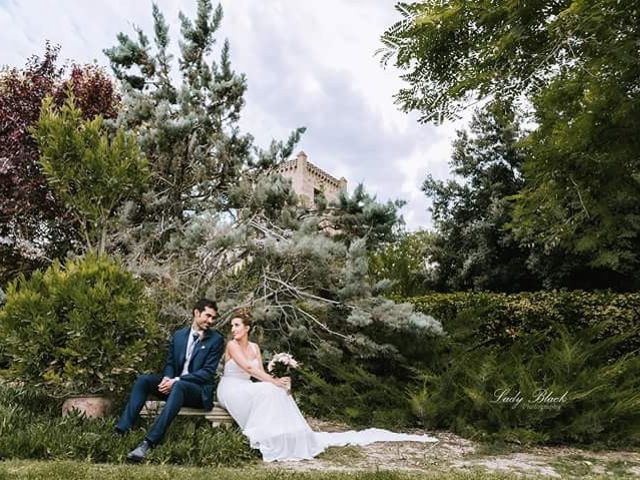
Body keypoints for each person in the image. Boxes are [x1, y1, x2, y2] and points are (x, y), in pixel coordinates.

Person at [216, 310, 439, 462]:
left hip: (248, 387)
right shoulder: (232, 345)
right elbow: (250, 370)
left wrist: (279, 380)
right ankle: (265, 439)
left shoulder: (255, 347)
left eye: (237, 325)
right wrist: (273, 381)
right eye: (232, 325)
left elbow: (261, 373)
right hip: (231, 388)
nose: (233, 329)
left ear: (247, 328)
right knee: (269, 388)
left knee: (275, 390)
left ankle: (285, 440)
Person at [116, 298, 224, 462]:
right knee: (143, 380)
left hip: (197, 393)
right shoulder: (179, 335)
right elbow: (171, 363)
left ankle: (148, 443)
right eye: (207, 316)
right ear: (196, 312)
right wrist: (167, 377)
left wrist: (177, 380)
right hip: (175, 387)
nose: (210, 321)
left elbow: (207, 373)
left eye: (213, 318)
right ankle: (120, 431)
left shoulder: (216, 340)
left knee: (179, 385)